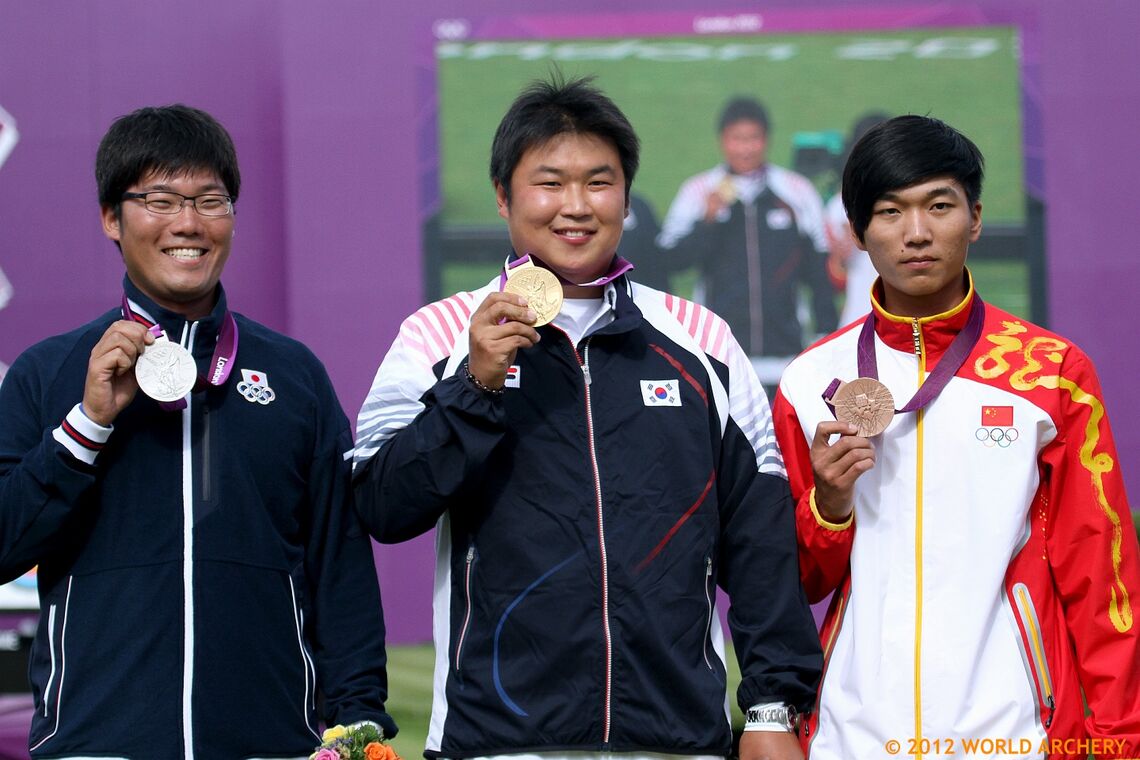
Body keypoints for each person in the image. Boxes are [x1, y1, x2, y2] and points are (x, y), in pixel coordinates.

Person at [354, 76, 821, 760]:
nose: (576, 206)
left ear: (626, 198)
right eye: (549, 183)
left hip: (679, 740)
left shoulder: (703, 340)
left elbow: (759, 542)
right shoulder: (437, 335)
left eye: (599, 182)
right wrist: (475, 386)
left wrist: (774, 709)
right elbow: (382, 504)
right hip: (499, 743)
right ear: (503, 196)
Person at [0, 104, 396, 758]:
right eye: (160, 200)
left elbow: (339, 562)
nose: (188, 223)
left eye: (210, 201)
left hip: (269, 745)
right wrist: (87, 424)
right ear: (111, 218)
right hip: (95, 744)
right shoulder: (50, 372)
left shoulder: (294, 375)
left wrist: (360, 718)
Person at [772, 115, 1140, 758]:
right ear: (857, 231)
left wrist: (1119, 740)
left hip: (1014, 733)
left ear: (975, 218)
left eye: (939, 206)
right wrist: (828, 509)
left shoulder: (1051, 373)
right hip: (853, 737)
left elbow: (1099, 571)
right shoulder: (809, 381)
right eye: (890, 212)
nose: (916, 233)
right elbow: (791, 585)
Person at [656, 96, 838, 362]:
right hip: (719, 352)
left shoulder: (796, 190)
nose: (745, 148)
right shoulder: (698, 190)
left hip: (787, 351)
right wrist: (706, 222)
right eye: (737, 139)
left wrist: (826, 332)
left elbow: (819, 270)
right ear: (722, 140)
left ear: (766, 140)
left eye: (753, 138)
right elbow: (672, 261)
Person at [822, 112, 890, 326]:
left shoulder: (910, 200)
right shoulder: (840, 206)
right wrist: (840, 257)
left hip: (906, 319)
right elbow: (835, 282)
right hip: (859, 320)